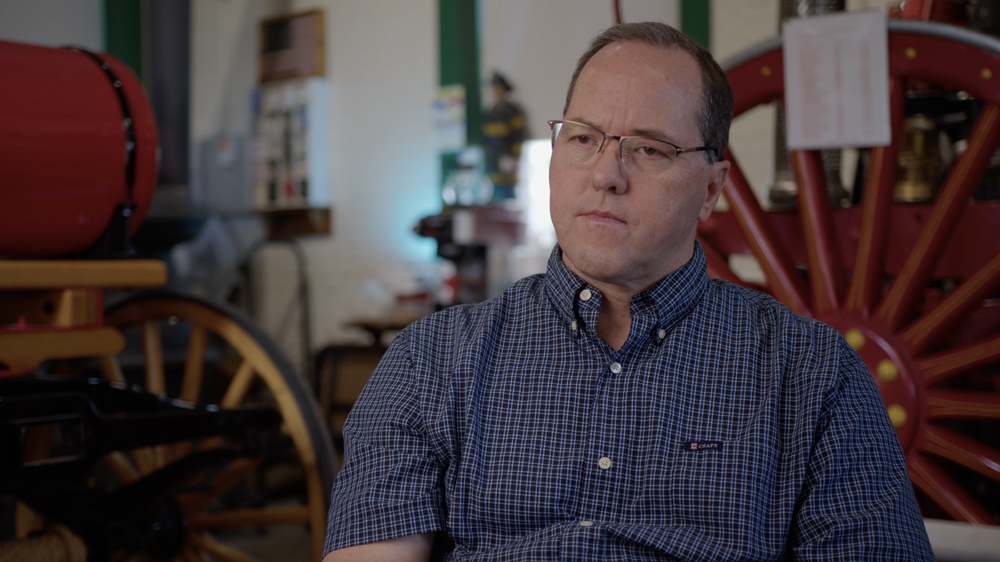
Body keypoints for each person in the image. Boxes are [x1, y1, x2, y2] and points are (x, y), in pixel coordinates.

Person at [324, 22, 934, 561]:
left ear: (711, 189)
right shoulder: (430, 362)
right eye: (583, 138)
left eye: (649, 149)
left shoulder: (814, 376)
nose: (606, 175)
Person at [482, 71, 528, 202]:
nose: (495, 91)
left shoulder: (512, 110)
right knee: (495, 192)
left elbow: (519, 135)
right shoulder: (491, 111)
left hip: (507, 157)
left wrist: (514, 157)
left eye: (498, 87)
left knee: (508, 193)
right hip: (494, 159)